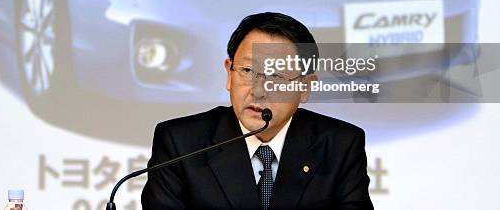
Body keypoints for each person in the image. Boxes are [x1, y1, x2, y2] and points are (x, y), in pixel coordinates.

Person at [141, 12, 373, 209]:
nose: (259, 91)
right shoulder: (180, 143)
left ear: (305, 87)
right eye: (248, 70)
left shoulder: (341, 145)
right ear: (229, 73)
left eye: (277, 76)